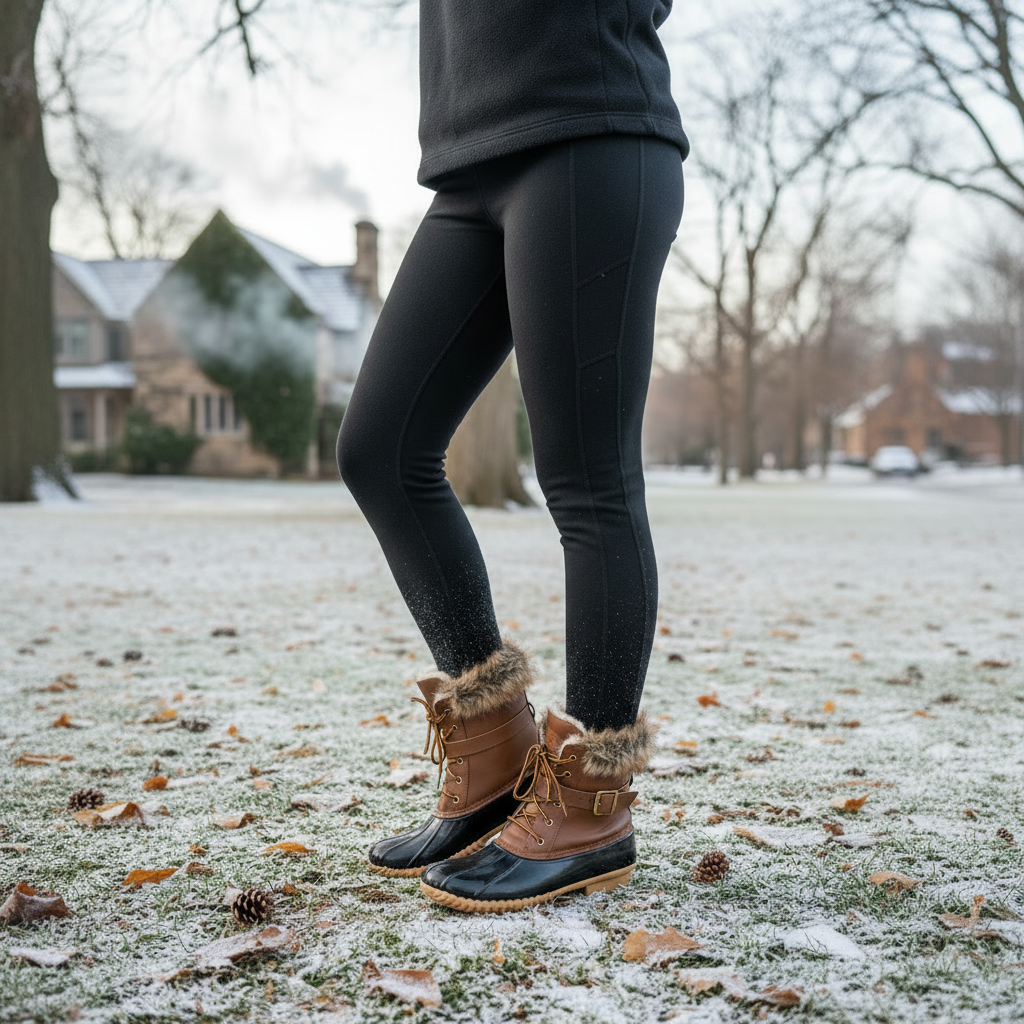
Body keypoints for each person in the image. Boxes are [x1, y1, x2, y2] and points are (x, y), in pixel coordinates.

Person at [337, 1, 688, 913]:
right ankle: (494, 744)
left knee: (588, 483)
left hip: (591, 126)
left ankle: (593, 802)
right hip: (468, 162)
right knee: (380, 449)